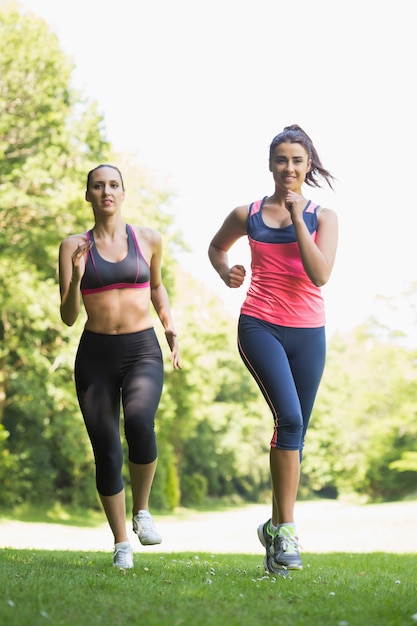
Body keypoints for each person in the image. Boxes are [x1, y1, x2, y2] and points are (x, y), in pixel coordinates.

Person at [208, 125, 338, 573]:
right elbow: (216, 247)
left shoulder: (324, 217)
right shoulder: (249, 215)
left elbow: (320, 275)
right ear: (270, 165)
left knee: (295, 435)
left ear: (307, 166)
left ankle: (274, 530)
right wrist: (226, 270)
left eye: (297, 161)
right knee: (291, 419)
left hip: (309, 332)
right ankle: (287, 533)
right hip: (260, 325)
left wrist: (299, 217)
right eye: (281, 160)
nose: (289, 168)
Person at [58, 164, 181, 569]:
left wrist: (169, 326)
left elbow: (157, 286)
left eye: (113, 185)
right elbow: (68, 317)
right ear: (88, 195)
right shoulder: (72, 246)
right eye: (98, 186)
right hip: (95, 355)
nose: (106, 191)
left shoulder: (148, 239)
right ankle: (121, 543)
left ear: (123, 193)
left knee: (141, 424)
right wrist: (77, 277)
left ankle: (142, 511)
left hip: (142, 349)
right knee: (108, 451)